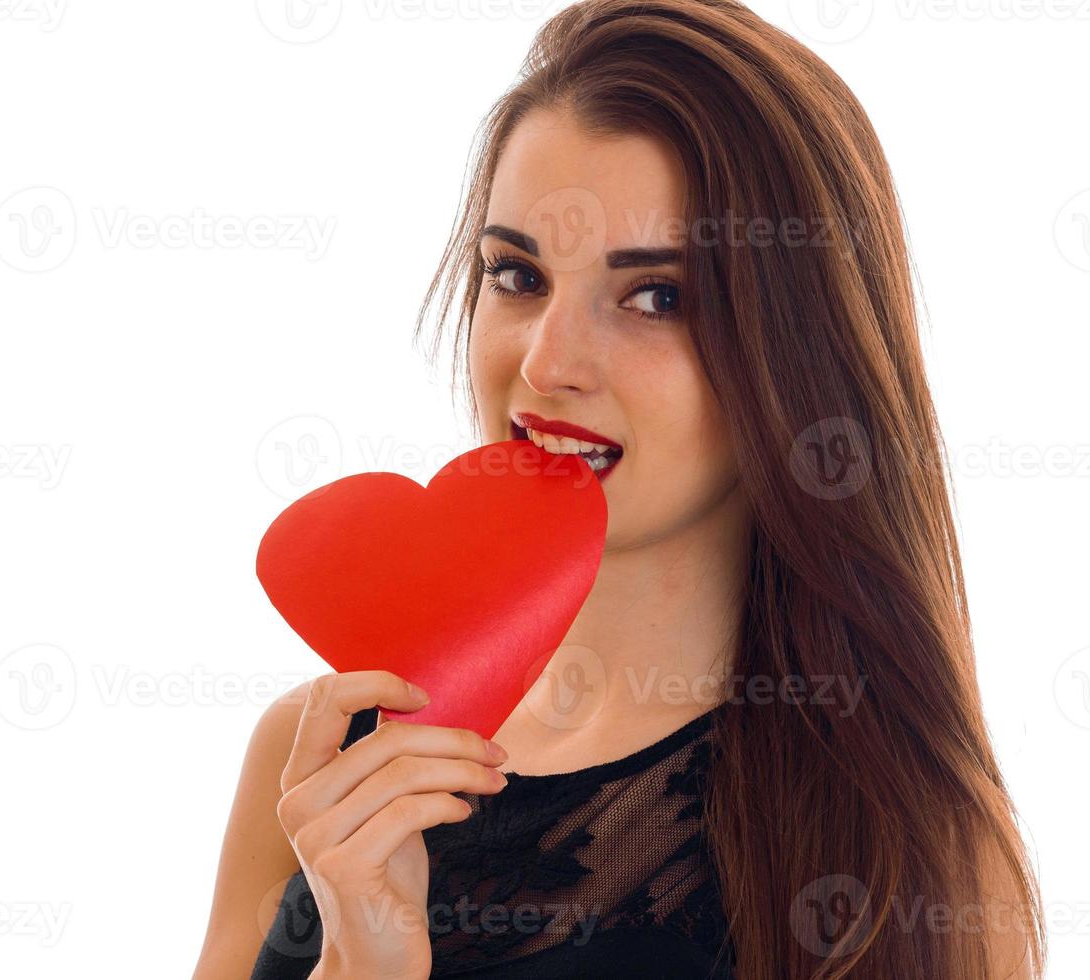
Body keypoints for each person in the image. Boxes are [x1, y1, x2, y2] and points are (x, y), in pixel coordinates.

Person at [194, 1, 1044, 976]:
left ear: (794, 358)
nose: (548, 361)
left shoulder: (899, 841)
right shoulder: (315, 757)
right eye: (517, 275)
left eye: (656, 297)